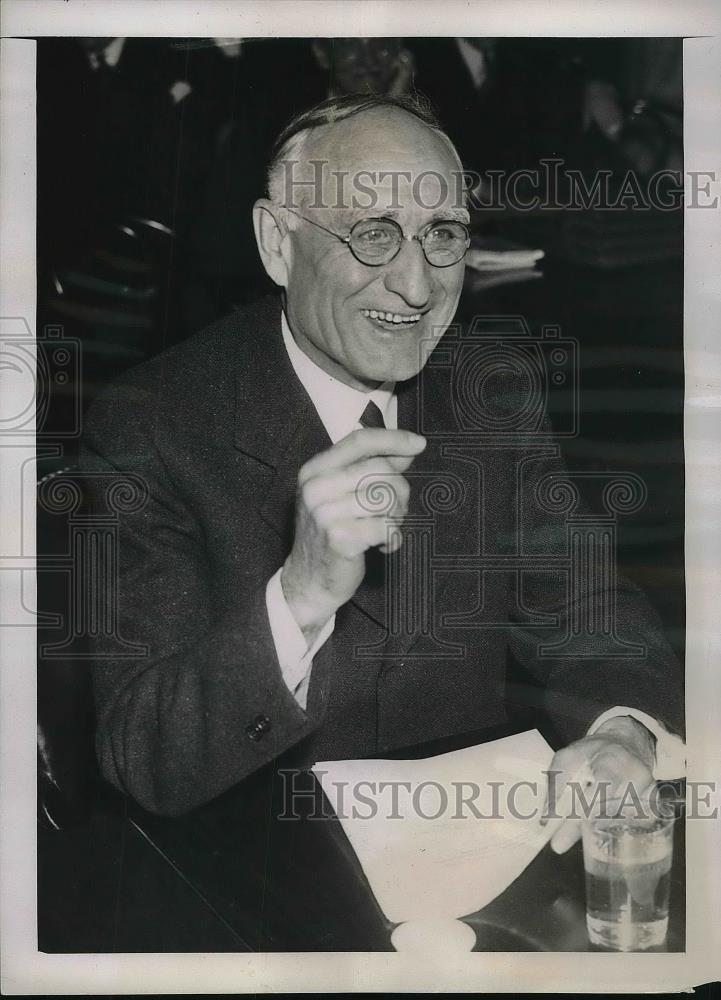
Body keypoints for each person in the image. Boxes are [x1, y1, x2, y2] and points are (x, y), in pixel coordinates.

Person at [81, 94, 684, 856]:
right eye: (373, 235)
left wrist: (620, 730)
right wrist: (298, 594)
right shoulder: (151, 424)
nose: (417, 287)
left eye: (441, 235)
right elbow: (146, 762)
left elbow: (581, 606)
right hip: (252, 876)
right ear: (277, 243)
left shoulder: (487, 385)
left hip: (467, 860)